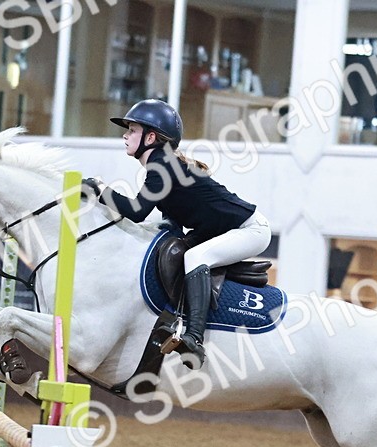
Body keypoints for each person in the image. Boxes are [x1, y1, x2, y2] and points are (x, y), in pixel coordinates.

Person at [82, 99, 270, 368]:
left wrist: (100, 189)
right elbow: (170, 224)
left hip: (250, 230)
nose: (125, 135)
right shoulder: (160, 166)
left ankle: (194, 337)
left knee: (195, 257)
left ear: (150, 137)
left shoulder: (162, 166)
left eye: (131, 130)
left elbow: (136, 211)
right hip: (220, 229)